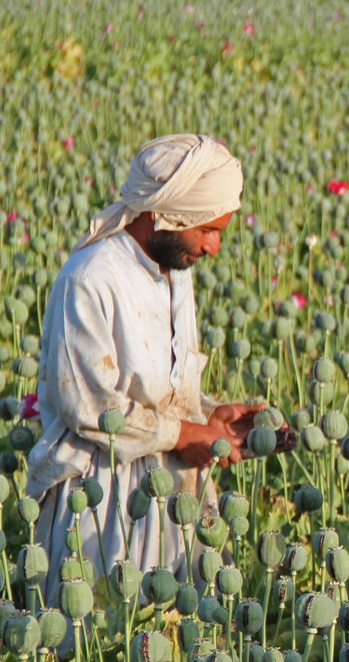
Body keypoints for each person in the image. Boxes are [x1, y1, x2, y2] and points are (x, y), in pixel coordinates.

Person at [30, 133, 262, 607]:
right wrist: (184, 435)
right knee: (101, 641)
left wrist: (210, 417)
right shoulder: (90, 279)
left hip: (173, 495)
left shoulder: (176, 273)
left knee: (173, 646)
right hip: (99, 500)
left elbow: (167, 389)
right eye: (207, 231)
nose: (214, 247)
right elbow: (91, 407)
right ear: (164, 216)